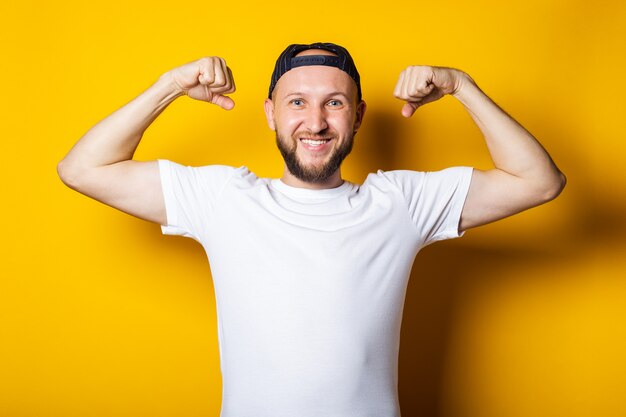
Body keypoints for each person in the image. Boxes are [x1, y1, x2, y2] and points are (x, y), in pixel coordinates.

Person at [58, 42, 566, 417]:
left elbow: (539, 182)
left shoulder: (402, 203)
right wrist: (170, 85)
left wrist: (462, 87)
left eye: (335, 103)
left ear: (359, 116)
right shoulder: (223, 200)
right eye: (297, 102)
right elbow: (83, 169)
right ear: (271, 114)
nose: (316, 122)